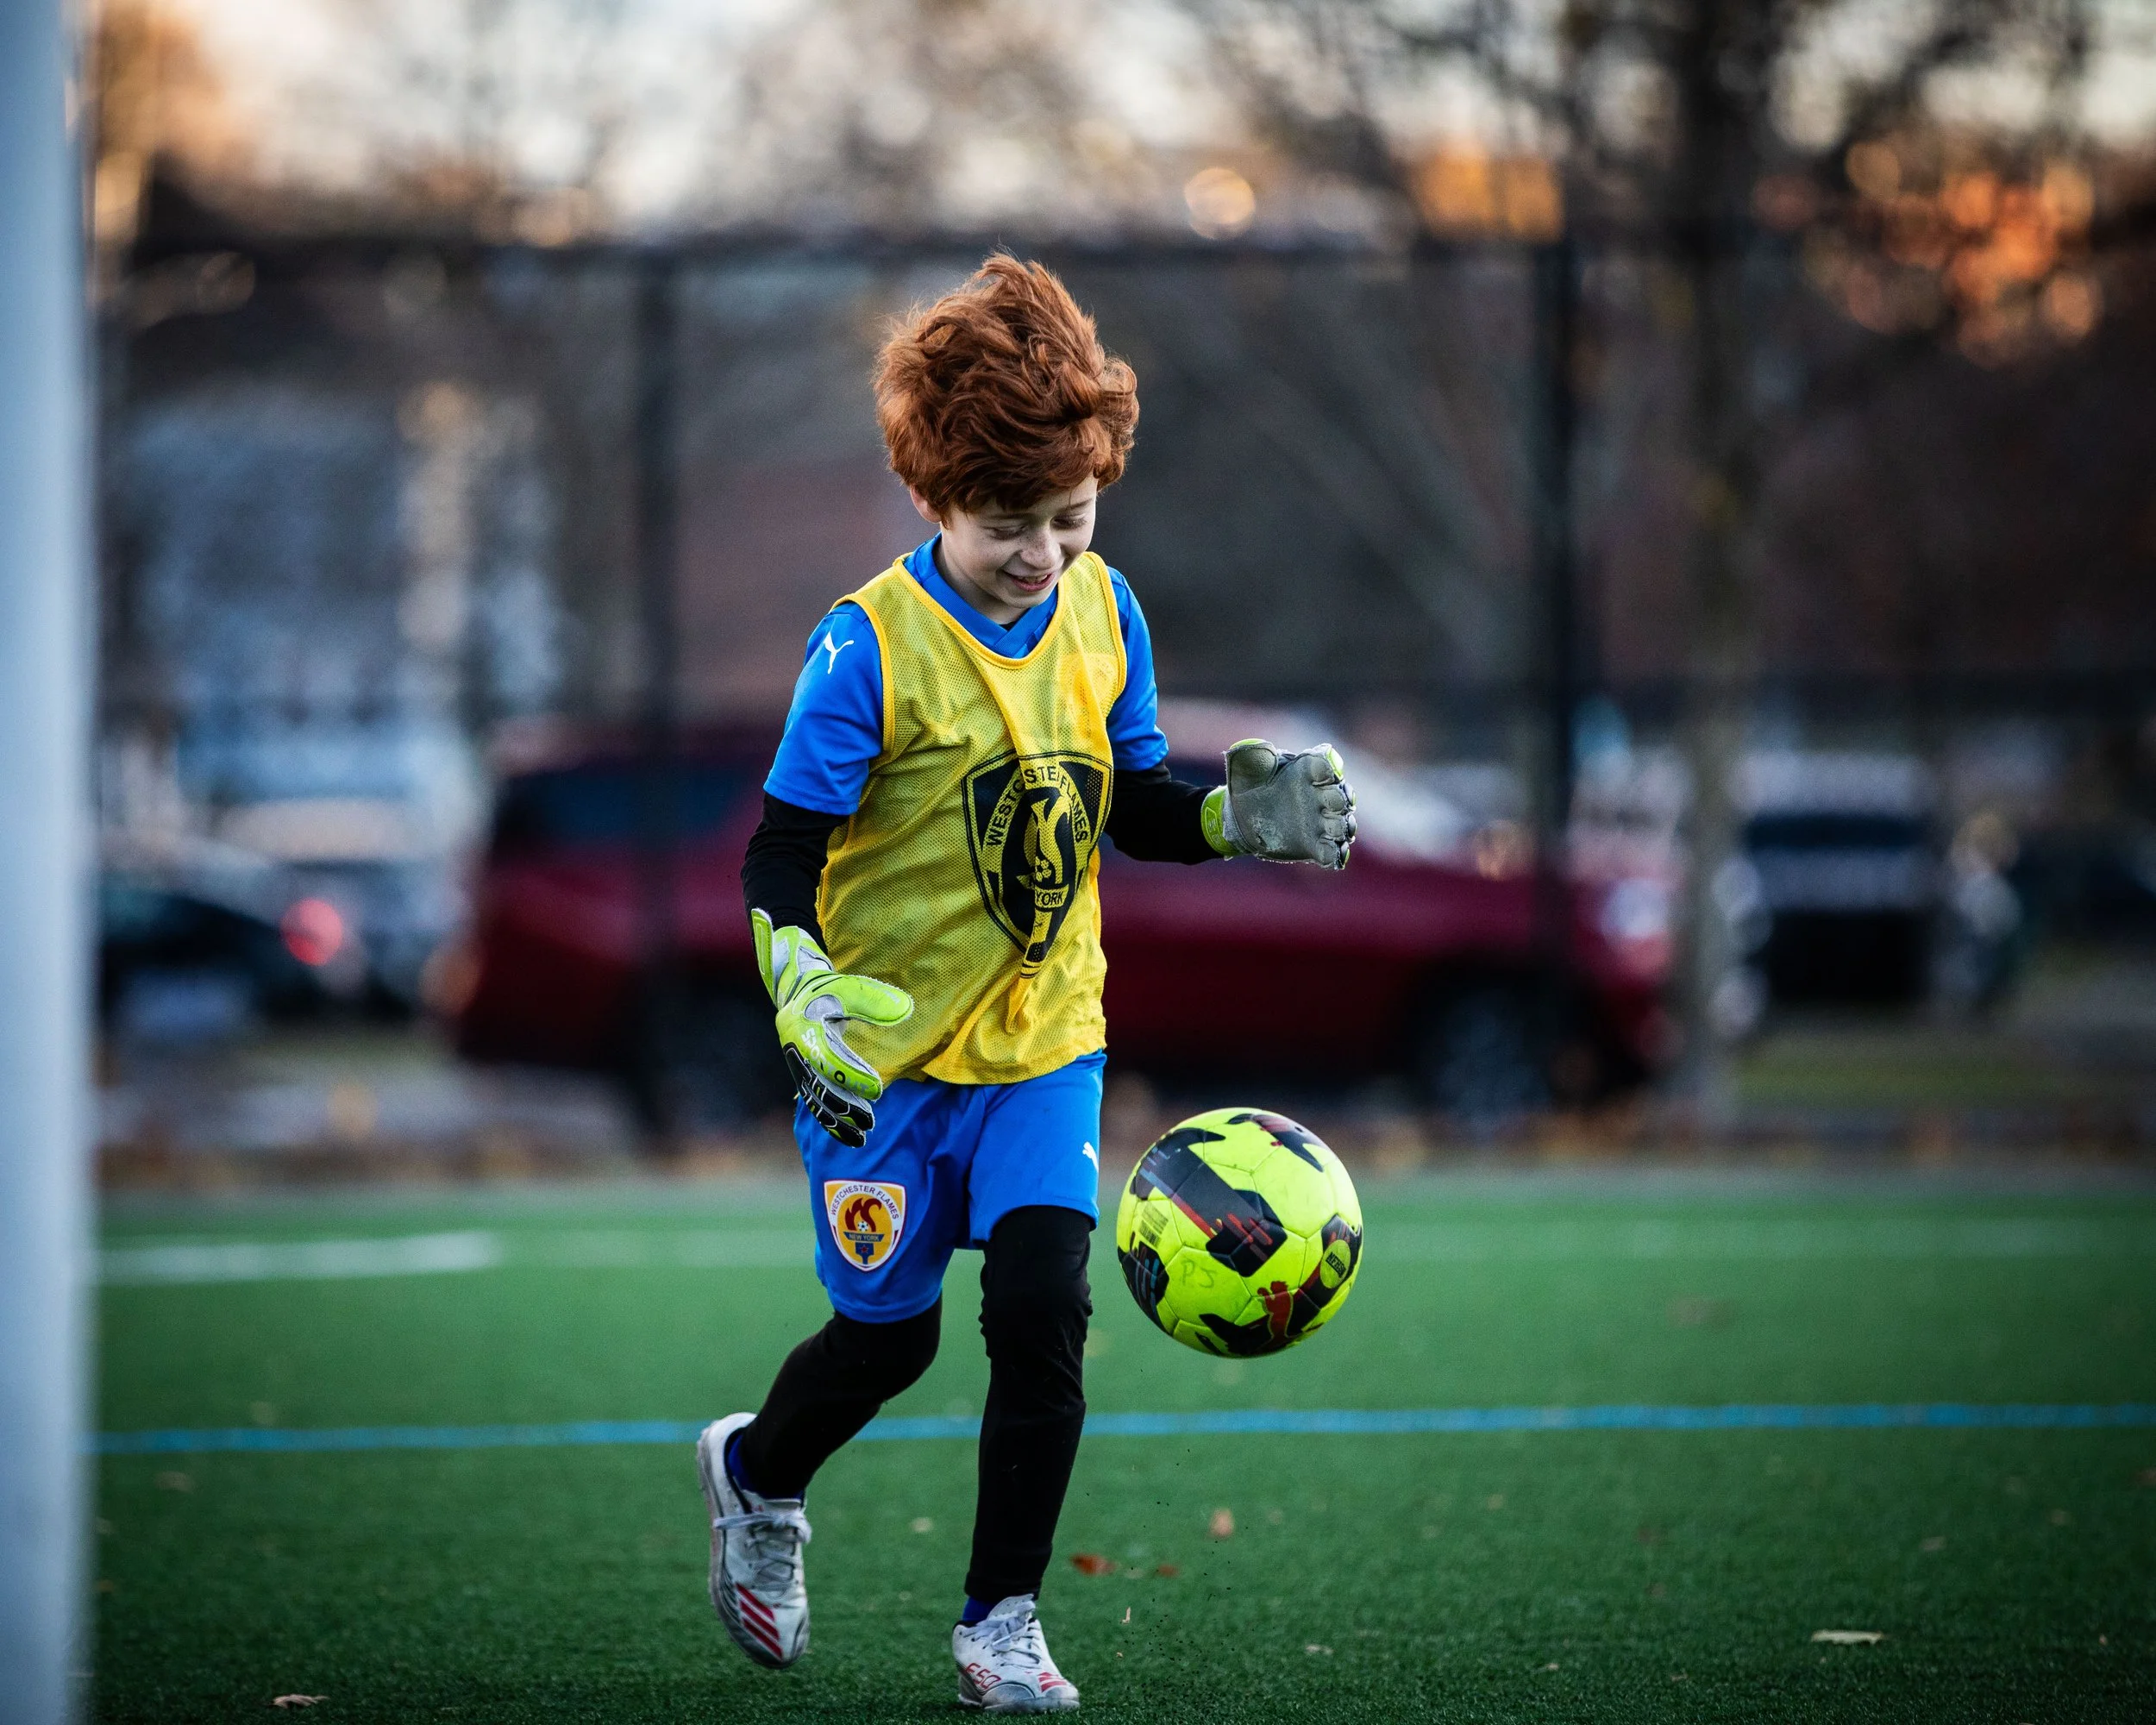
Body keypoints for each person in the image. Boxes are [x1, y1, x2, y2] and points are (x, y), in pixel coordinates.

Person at [697, 254, 1357, 1714]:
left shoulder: (1107, 611)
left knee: (1045, 1308)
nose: (1046, 551)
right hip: (880, 1062)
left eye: (1073, 515)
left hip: (1047, 1041)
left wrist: (1236, 822)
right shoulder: (863, 650)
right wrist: (797, 984)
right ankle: (756, 1473)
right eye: (1011, 524)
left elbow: (1125, 801)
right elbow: (775, 856)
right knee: (889, 1338)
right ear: (930, 497)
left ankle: (1000, 1622)